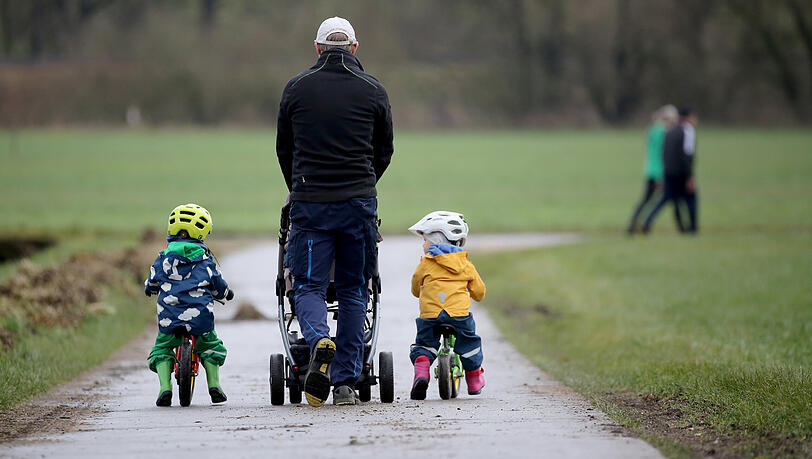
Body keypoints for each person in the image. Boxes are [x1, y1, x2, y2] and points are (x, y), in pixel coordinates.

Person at [276, 16, 394, 406]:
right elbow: (384, 150)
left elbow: (284, 149)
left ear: (317, 48)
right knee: (354, 289)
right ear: (355, 48)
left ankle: (317, 340)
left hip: (310, 204)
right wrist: (363, 182)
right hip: (358, 205)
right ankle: (345, 383)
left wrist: (299, 187)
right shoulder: (373, 89)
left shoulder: (296, 88)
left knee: (309, 286)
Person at [144, 203, 234, 407]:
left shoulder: (162, 259)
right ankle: (214, 385)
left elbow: (152, 281)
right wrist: (226, 294)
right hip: (199, 317)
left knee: (162, 349)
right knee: (210, 345)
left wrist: (150, 288)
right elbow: (218, 284)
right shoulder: (205, 261)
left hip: (169, 316)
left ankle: (164, 388)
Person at [407, 211, 487, 400]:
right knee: (469, 343)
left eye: (425, 240)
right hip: (458, 316)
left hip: (430, 316)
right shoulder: (465, 265)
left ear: (436, 240)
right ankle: (474, 379)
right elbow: (479, 293)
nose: (423, 245)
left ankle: (421, 373)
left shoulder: (425, 264)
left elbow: (415, 289)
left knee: (424, 344)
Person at [642, 107, 699, 234]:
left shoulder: (670, 131)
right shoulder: (688, 130)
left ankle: (648, 222)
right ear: (688, 118)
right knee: (691, 199)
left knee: (668, 200)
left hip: (668, 172)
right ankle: (693, 228)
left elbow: (664, 153)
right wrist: (689, 176)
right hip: (681, 173)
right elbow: (687, 154)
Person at [626, 105, 679, 234]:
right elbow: (661, 155)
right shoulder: (662, 133)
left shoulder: (652, 130)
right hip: (658, 172)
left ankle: (635, 224)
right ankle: (643, 224)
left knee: (647, 200)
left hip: (650, 170)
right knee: (658, 200)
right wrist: (660, 176)